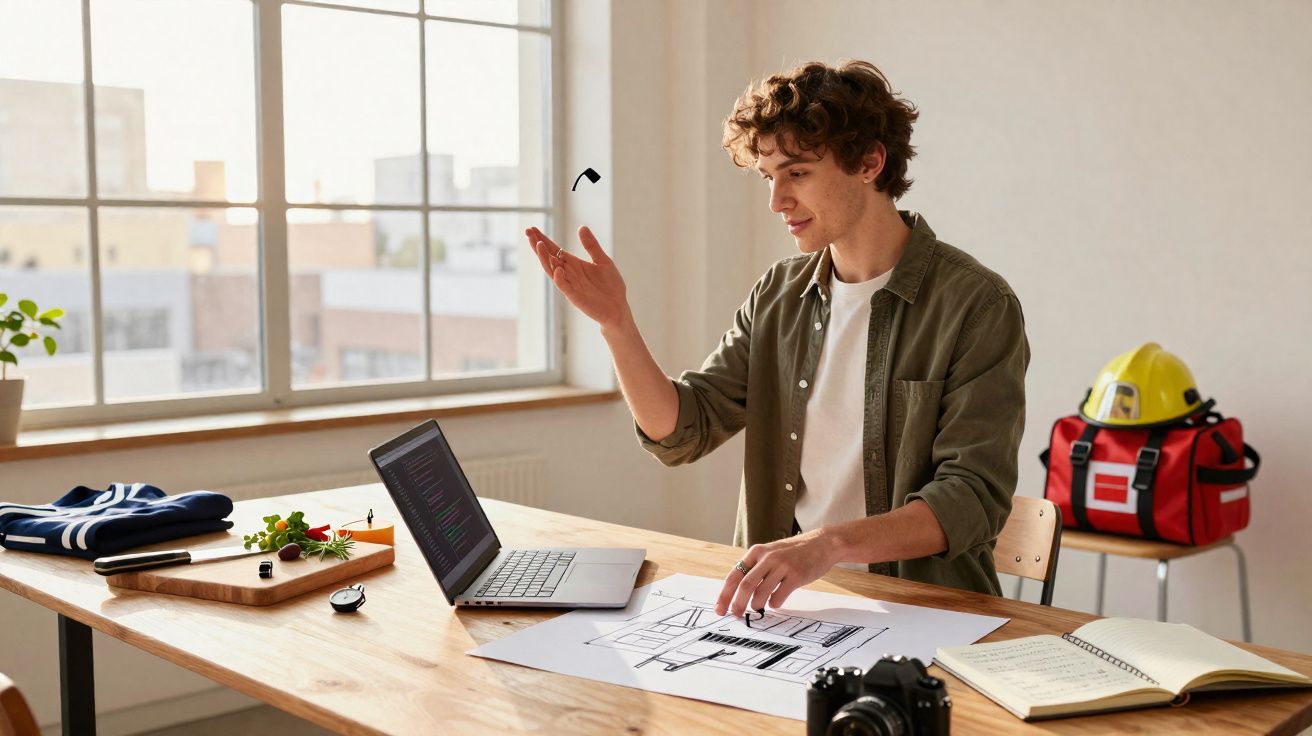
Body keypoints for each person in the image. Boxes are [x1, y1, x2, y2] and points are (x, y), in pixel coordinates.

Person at [523, 59, 1028, 618]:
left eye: (798, 173)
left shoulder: (976, 305)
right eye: (769, 177)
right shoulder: (779, 293)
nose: (776, 201)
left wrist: (827, 545)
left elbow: (970, 499)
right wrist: (616, 323)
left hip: (930, 616)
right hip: (792, 611)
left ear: (869, 162)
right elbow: (682, 431)